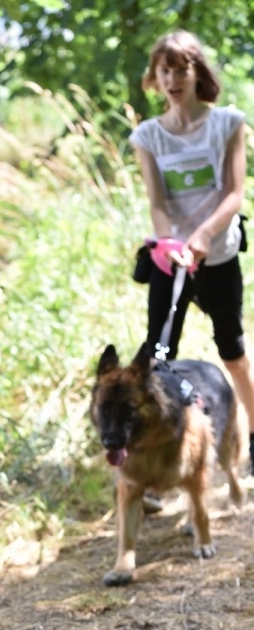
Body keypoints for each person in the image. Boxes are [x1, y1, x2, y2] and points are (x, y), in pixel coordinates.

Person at [130, 30, 254, 475]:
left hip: (217, 255)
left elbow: (234, 193)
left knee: (233, 352)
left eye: (180, 69)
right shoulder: (148, 136)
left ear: (196, 72)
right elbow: (157, 202)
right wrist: (169, 245)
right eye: (164, 71)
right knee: (158, 357)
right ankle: (152, 454)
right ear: (155, 77)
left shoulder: (228, 124)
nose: (173, 80)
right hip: (171, 262)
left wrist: (202, 235)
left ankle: (253, 436)